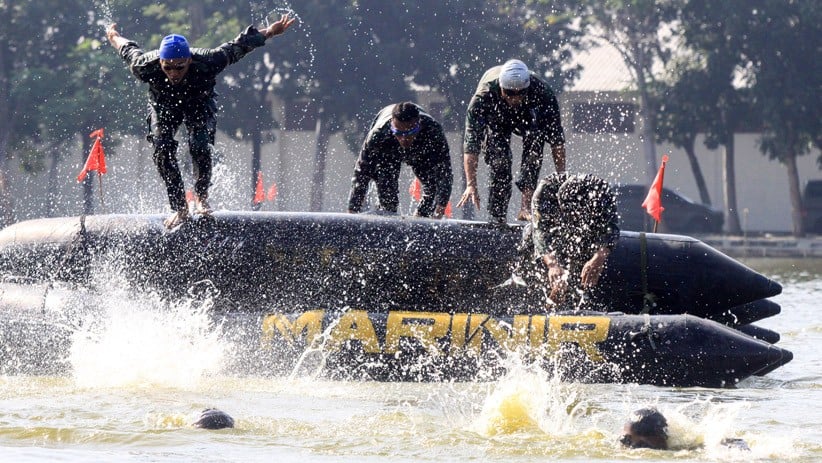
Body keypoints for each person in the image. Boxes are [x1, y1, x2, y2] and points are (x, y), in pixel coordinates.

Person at [106, 14, 296, 229]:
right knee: (162, 149)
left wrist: (270, 31)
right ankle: (180, 207)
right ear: (160, 61)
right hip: (163, 106)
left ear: (188, 60)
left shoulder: (208, 60)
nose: (173, 73)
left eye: (179, 67)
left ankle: (201, 198)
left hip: (199, 103)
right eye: (168, 67)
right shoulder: (145, 66)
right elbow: (127, 49)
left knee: (199, 145)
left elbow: (238, 45)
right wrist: (113, 35)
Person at [457, 59, 566, 223]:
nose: (514, 98)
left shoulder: (543, 94)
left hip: (529, 117)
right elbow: (471, 146)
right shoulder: (483, 97)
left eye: (520, 93)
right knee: (500, 160)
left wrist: (561, 178)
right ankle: (497, 215)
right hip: (497, 120)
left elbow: (557, 141)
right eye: (509, 93)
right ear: (501, 87)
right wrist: (471, 184)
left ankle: (525, 207)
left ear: (527, 88)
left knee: (535, 142)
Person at [347, 102, 453, 218]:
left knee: (432, 189)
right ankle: (385, 225)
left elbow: (445, 171)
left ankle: (419, 222)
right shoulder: (379, 134)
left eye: (409, 133)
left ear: (419, 124)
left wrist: (441, 206)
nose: (404, 139)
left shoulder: (433, 130)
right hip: (388, 149)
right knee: (387, 198)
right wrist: (353, 210)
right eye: (399, 133)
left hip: (421, 150)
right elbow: (361, 172)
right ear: (392, 125)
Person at [530, 173, 619, 309]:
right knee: (528, 236)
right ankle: (546, 299)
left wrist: (599, 258)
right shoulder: (545, 192)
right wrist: (553, 265)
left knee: (588, 254)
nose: (573, 218)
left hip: (588, 232)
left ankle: (584, 299)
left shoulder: (601, 193)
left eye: (576, 215)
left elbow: (611, 229)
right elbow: (539, 232)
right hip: (555, 232)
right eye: (570, 214)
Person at [620, 408, 749, 451]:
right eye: (624, 440)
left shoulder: (685, 448)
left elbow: (737, 442)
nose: (630, 448)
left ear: (660, 438)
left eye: (641, 445)